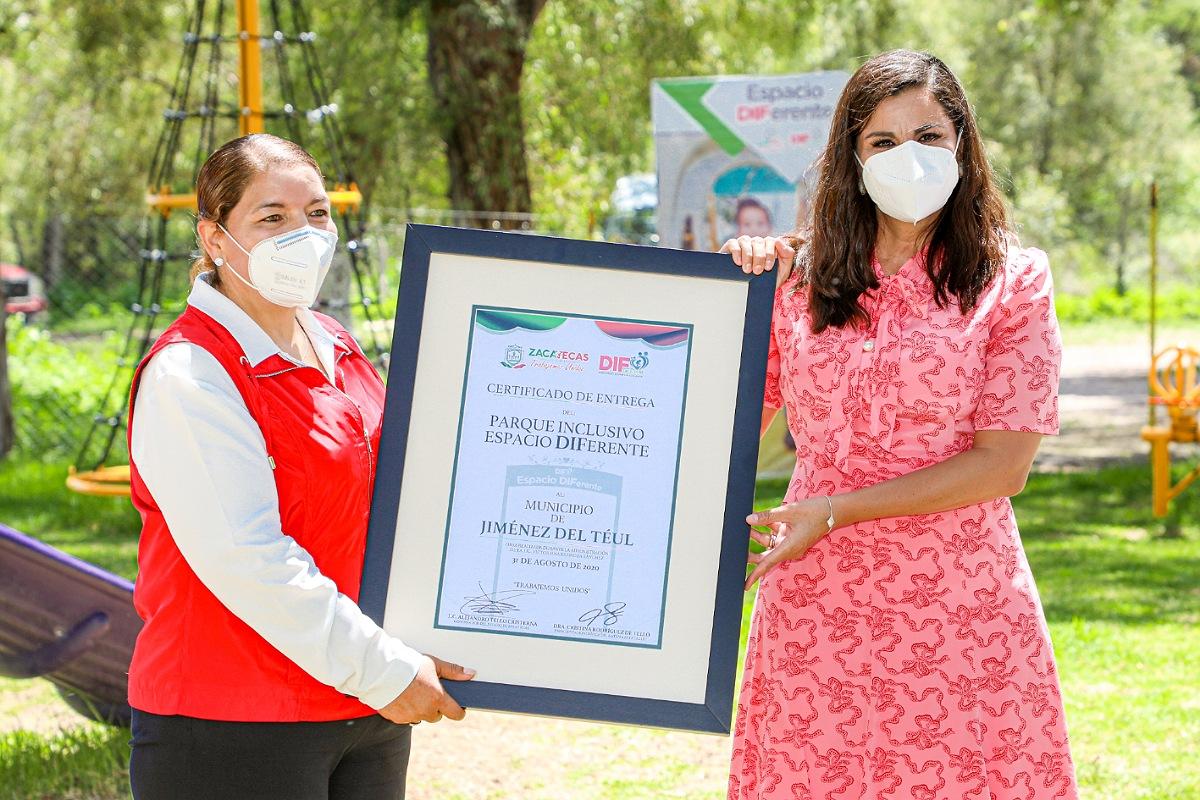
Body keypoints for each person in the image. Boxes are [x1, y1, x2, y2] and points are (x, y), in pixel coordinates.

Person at [721, 50, 1077, 799]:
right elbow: (720, 428)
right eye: (882, 141)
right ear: (852, 158)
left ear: (962, 144)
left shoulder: (1014, 282)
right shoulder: (797, 279)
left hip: (960, 613)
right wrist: (730, 293)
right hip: (816, 607)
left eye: (928, 136)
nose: (907, 157)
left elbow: (1003, 465)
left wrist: (835, 510)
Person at [125, 134, 473, 799]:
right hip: (232, 720)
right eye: (272, 217)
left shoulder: (335, 343)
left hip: (362, 710)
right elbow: (247, 557)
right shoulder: (190, 373)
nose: (304, 235)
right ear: (214, 237)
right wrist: (384, 669)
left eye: (316, 213)